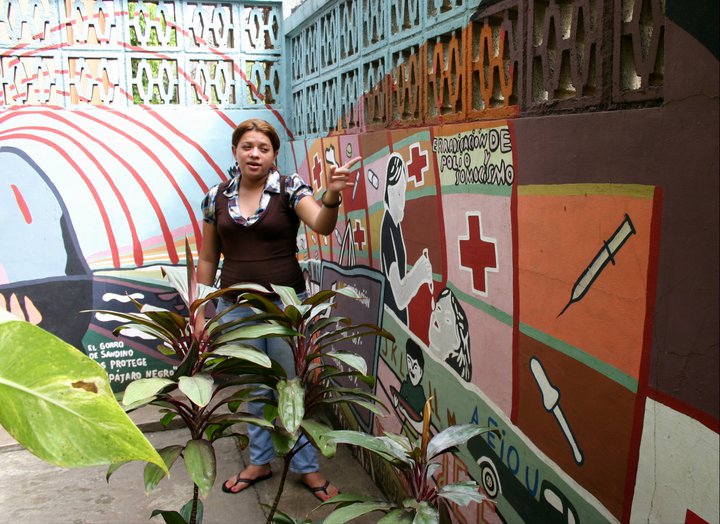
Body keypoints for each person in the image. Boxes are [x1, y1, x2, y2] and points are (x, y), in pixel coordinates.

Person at [197, 118, 359, 501]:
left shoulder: (290, 190)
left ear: (274, 156)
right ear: (235, 151)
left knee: (291, 388)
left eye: (264, 148)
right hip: (234, 309)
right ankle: (259, 460)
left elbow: (321, 224)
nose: (255, 154)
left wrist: (332, 195)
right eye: (247, 146)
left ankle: (306, 468)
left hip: (285, 309)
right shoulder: (215, 197)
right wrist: (200, 311)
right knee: (255, 389)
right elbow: (207, 258)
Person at [380, 153, 433, 325]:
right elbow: (400, 297)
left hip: (398, 323)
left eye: (403, 192)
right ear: (389, 192)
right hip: (394, 324)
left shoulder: (395, 226)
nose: (402, 201)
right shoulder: (388, 229)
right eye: (398, 193)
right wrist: (419, 273)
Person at [428, 287, 472, 382]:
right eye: (438, 308)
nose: (438, 317)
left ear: (457, 341)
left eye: (447, 319)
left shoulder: (448, 380)